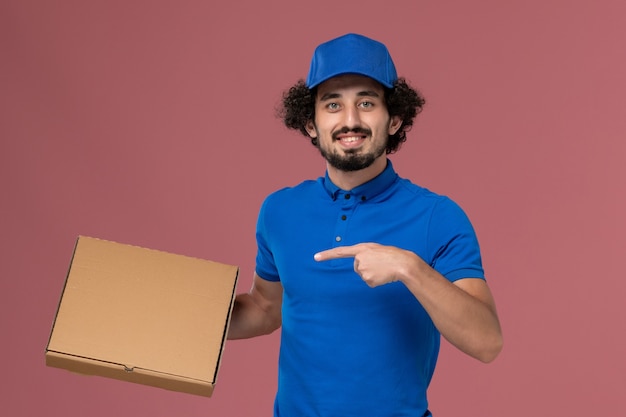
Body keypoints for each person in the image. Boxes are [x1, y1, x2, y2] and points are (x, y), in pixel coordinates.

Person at [227, 33, 503, 417]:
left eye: (367, 103)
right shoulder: (279, 210)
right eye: (333, 104)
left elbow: (487, 341)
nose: (350, 120)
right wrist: (184, 316)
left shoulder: (438, 217)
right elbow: (264, 307)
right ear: (311, 123)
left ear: (396, 119)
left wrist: (410, 268)